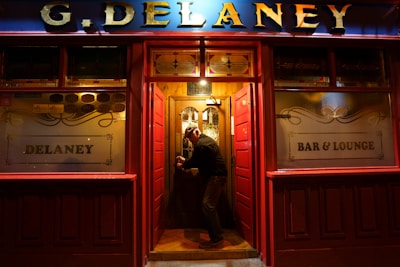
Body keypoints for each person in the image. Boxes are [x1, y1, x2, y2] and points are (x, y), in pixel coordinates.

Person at [176, 124, 228, 249]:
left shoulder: (201, 145)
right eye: (188, 138)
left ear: (197, 132)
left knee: (207, 205)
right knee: (210, 206)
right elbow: (198, 160)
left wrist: (183, 165)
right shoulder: (205, 141)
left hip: (216, 177)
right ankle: (218, 233)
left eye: (190, 137)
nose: (190, 140)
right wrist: (185, 162)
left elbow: (195, 161)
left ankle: (217, 239)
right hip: (216, 176)